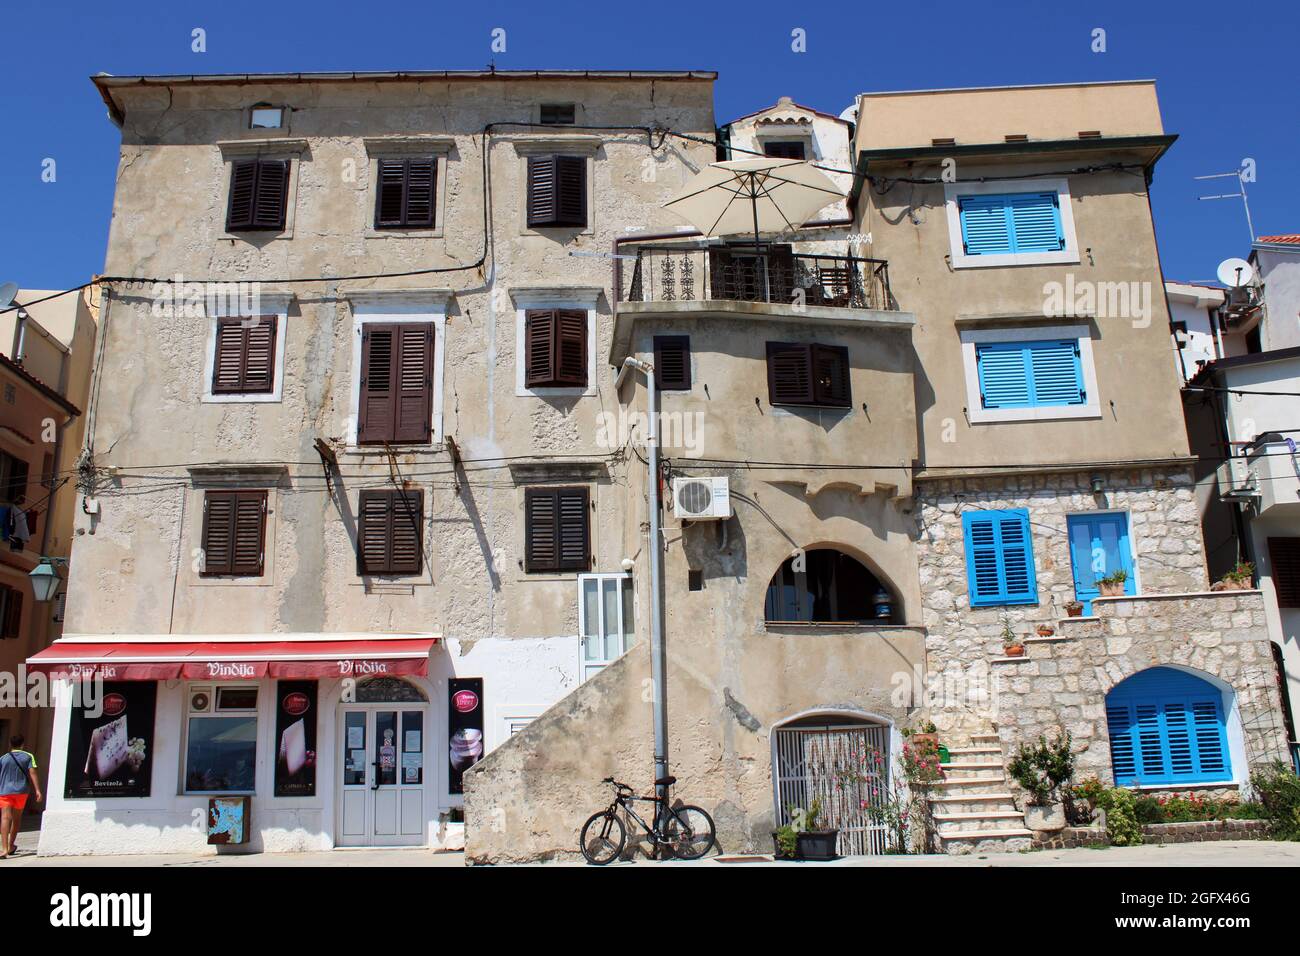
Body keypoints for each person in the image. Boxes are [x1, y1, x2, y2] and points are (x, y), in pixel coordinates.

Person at [0, 734, 42, 858]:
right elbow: (32, 772)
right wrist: (38, 790)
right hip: (21, 791)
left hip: (5, 791)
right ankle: (11, 844)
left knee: (5, 818)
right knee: (16, 819)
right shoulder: (28, 756)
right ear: (22, 744)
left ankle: (4, 849)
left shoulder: (3, 758)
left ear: (10, 744)